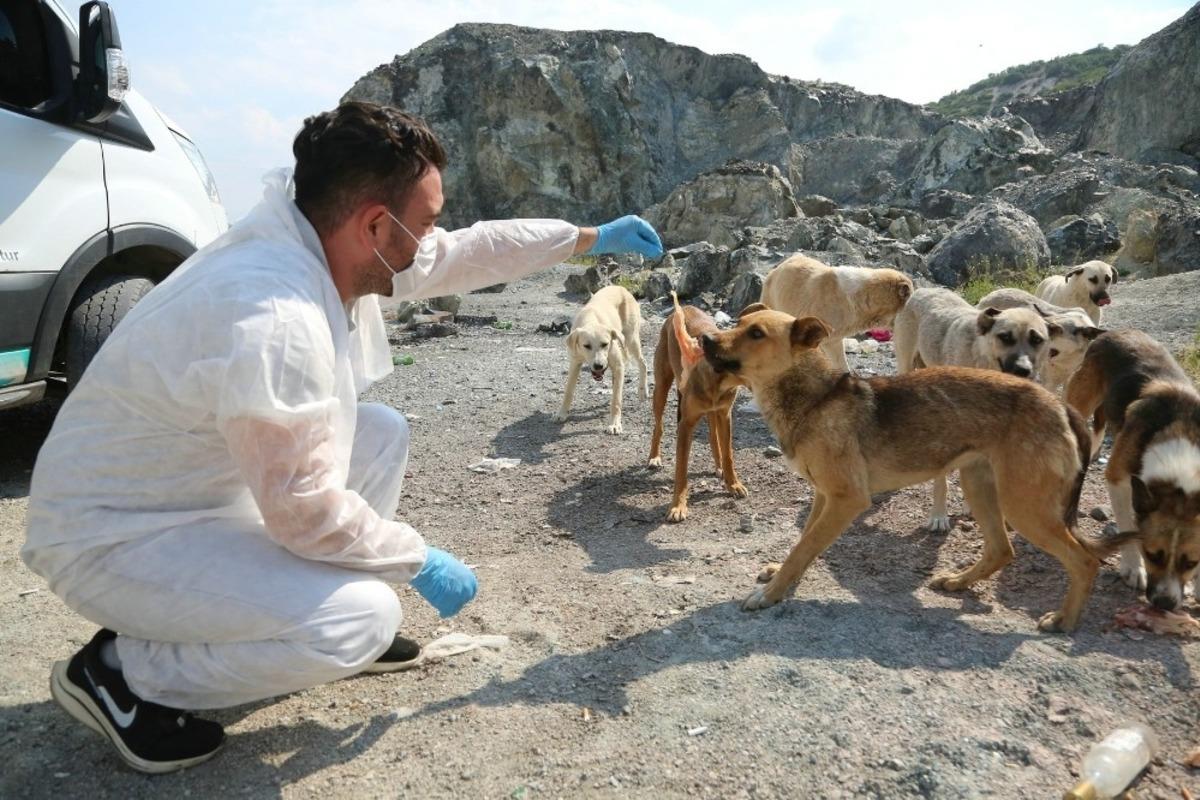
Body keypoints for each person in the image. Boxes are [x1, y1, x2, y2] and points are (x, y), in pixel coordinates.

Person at [21, 101, 664, 773]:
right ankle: (125, 672)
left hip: (183, 495)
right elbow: (304, 512)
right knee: (360, 619)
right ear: (375, 225)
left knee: (378, 432)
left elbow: (469, 250)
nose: (432, 239)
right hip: (112, 539)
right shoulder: (274, 316)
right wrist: (414, 557)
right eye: (425, 223)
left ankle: (304, 615)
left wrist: (589, 237)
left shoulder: (320, 238)